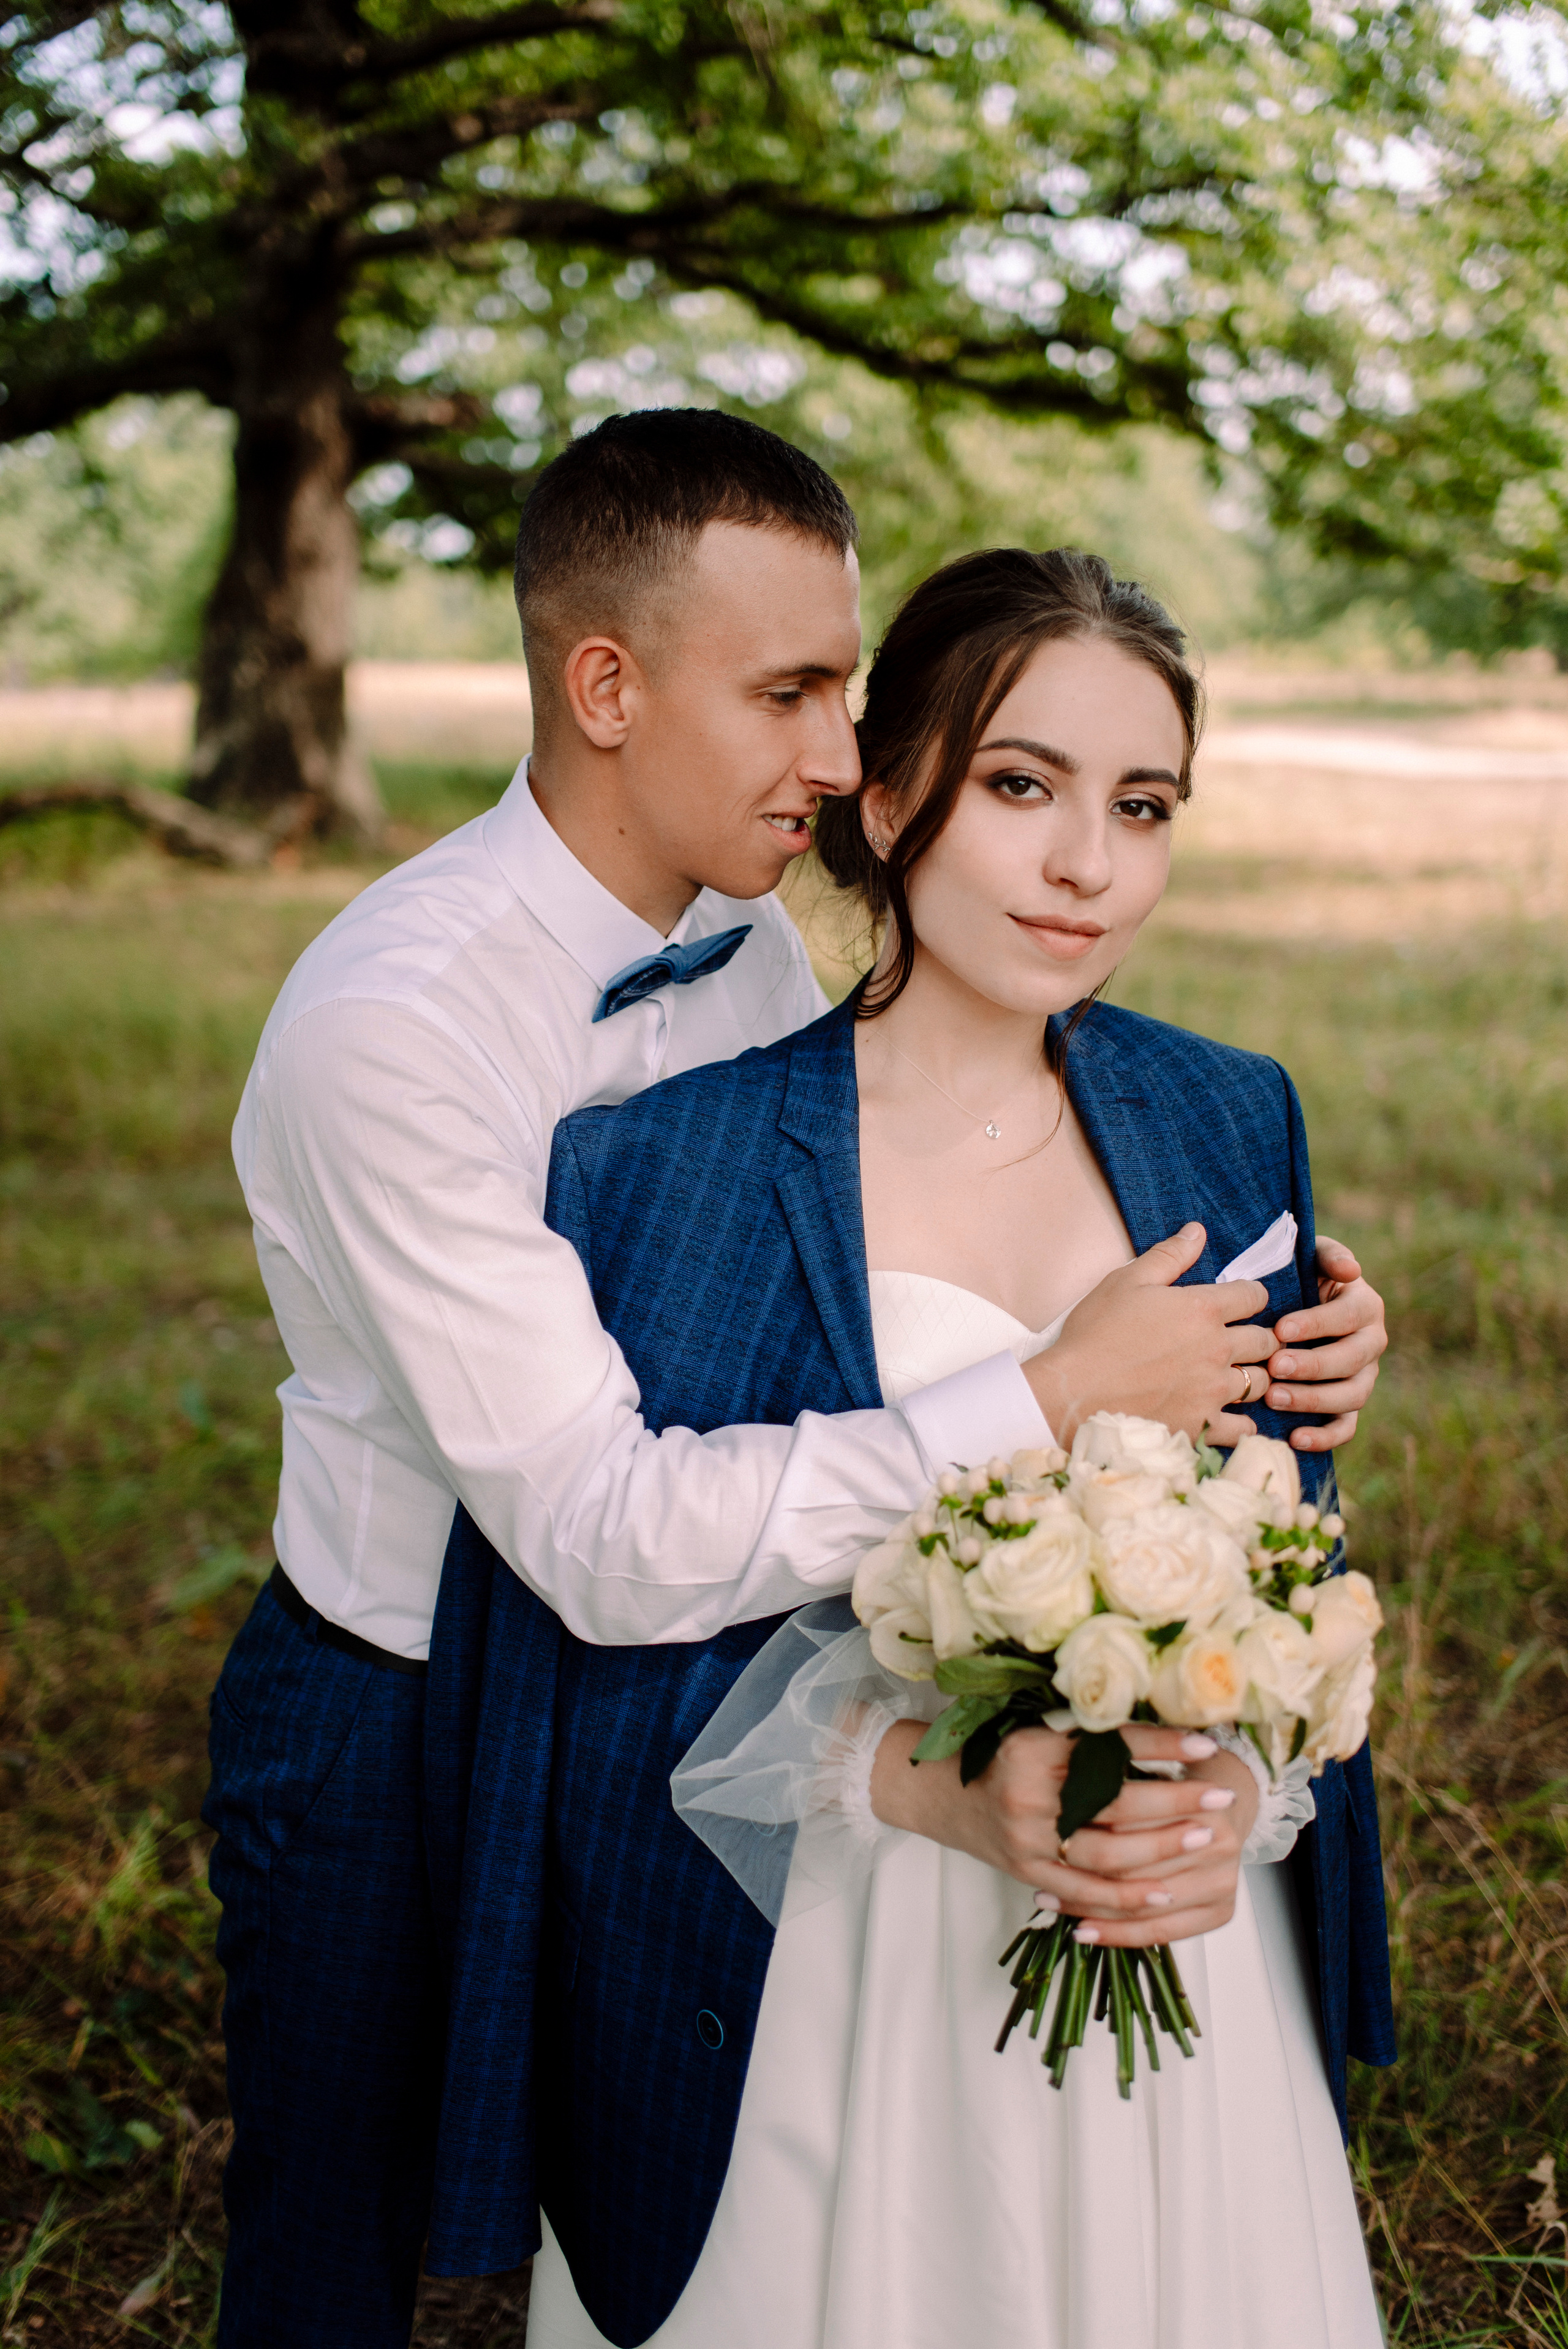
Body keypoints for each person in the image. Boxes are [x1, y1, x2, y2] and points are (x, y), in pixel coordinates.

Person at [206, 411, 1387, 2347]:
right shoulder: (394, 1029)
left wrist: (1308, 1337)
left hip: (769, 1669)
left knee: (636, 2114)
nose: (839, 757)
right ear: (608, 685)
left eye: (851, 688)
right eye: (793, 692)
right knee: (346, 2214)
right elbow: (601, 1524)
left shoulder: (761, 946)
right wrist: (1055, 1395)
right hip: (410, 1673)